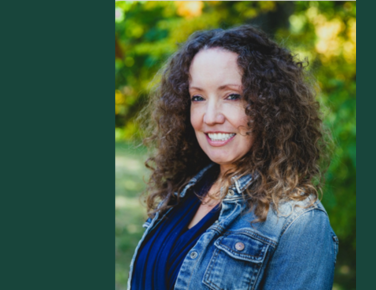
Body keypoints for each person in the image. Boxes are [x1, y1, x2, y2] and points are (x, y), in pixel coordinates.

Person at [129, 25, 338, 290]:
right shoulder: (187, 189)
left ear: (269, 105)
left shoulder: (299, 223)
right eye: (198, 97)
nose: (210, 116)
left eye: (232, 96)